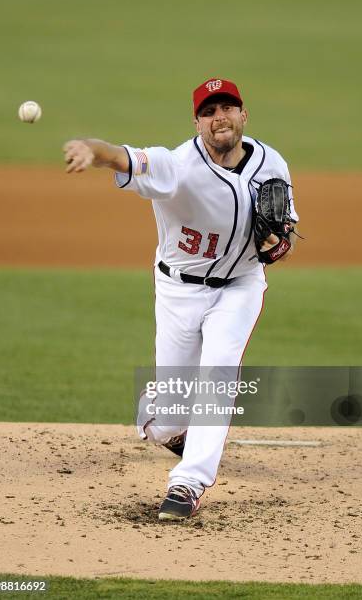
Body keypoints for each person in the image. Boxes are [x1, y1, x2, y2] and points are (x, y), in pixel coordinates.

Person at [63, 78, 299, 521]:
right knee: (169, 419)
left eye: (227, 108)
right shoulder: (176, 166)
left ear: (243, 115)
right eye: (209, 112)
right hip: (179, 291)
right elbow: (120, 156)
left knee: (219, 371)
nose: (219, 118)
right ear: (198, 122)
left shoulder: (273, 164)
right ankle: (160, 416)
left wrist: (278, 245)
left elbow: (283, 229)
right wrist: (91, 150)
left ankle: (187, 484)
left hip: (240, 287)